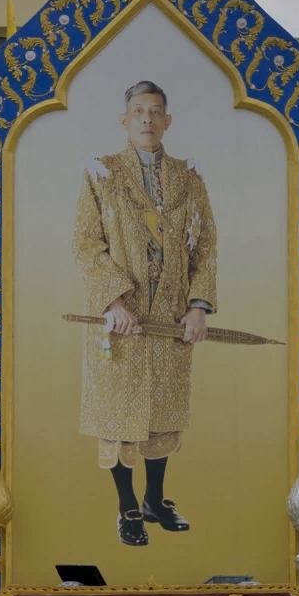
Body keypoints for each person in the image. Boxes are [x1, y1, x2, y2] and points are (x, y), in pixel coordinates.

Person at [72, 80, 218, 547]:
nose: (146, 119)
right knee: (119, 414)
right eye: (138, 111)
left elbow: (206, 245)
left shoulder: (188, 178)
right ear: (124, 120)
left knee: (162, 411)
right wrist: (113, 301)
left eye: (155, 111)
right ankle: (127, 507)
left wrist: (197, 307)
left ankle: (155, 499)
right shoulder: (101, 173)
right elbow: (86, 244)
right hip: (120, 322)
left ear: (167, 120)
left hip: (170, 319)